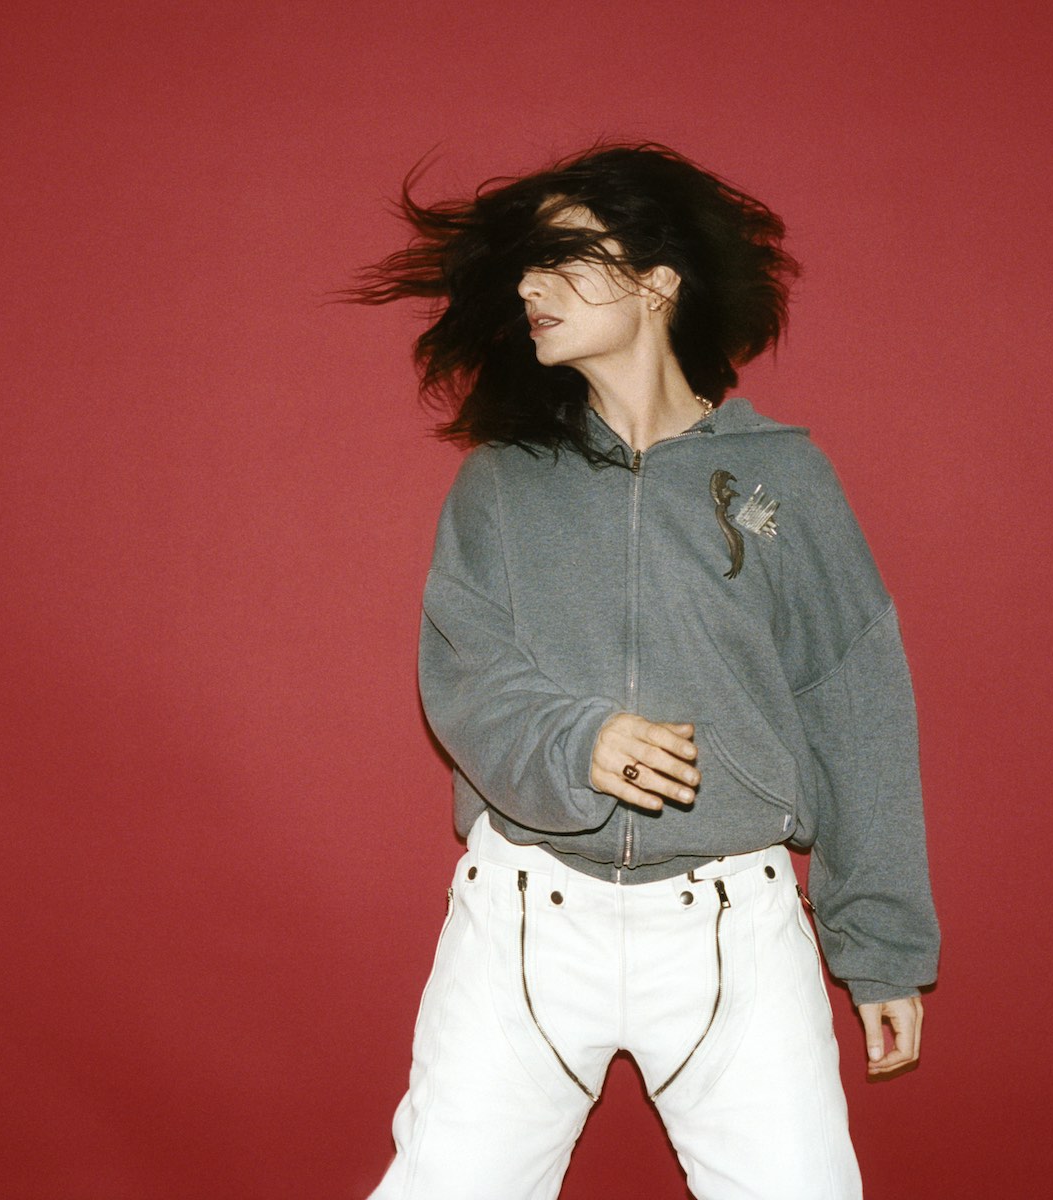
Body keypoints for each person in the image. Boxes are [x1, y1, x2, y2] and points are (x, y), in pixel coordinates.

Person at [347, 142, 939, 1200]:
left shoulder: (784, 479)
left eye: (563, 257)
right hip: (526, 921)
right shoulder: (502, 485)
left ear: (658, 280)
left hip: (733, 929)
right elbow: (467, 675)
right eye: (525, 267)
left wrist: (882, 948)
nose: (529, 287)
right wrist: (581, 742)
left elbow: (857, 709)